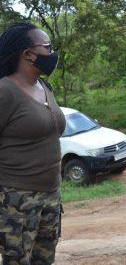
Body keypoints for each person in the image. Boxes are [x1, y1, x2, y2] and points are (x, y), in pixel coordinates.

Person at [0, 22, 66, 264]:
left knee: (44, 260)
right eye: (47, 47)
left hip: (51, 193)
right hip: (16, 199)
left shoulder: (44, 87)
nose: (52, 53)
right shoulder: (5, 91)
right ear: (28, 54)